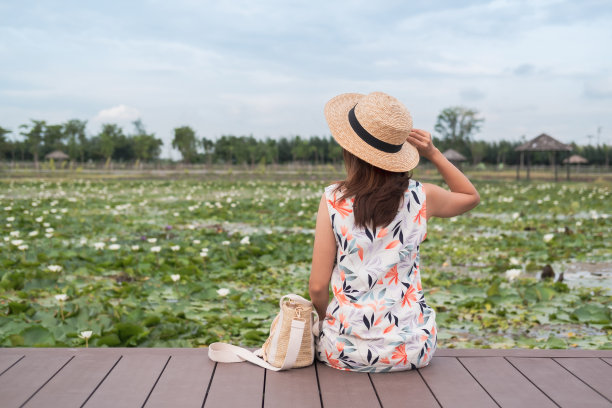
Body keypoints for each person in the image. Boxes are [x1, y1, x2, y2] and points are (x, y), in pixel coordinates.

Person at [309, 91, 480, 372]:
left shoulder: (333, 199)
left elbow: (317, 287)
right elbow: (469, 196)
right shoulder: (422, 196)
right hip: (412, 350)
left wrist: (331, 322)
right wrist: (434, 154)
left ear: (350, 149)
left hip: (343, 351)